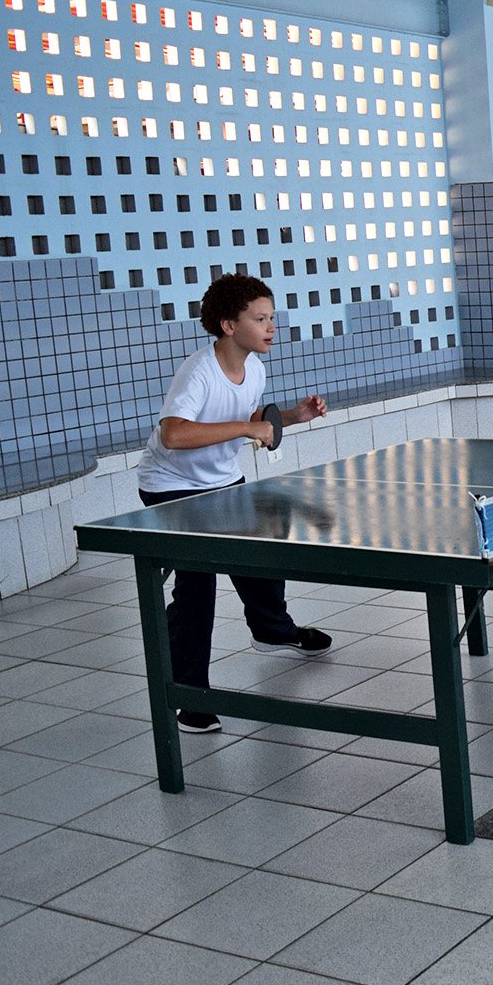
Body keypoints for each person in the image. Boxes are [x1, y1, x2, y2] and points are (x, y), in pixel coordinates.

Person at [137, 273, 332, 733]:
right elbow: (174, 433)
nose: (271, 327)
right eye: (260, 319)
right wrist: (248, 429)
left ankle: (272, 631)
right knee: (197, 584)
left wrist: (291, 416)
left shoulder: (254, 368)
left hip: (223, 480)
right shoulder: (198, 371)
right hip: (171, 485)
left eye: (271, 318)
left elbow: (243, 415)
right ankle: (189, 695)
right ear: (228, 325)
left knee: (261, 545)